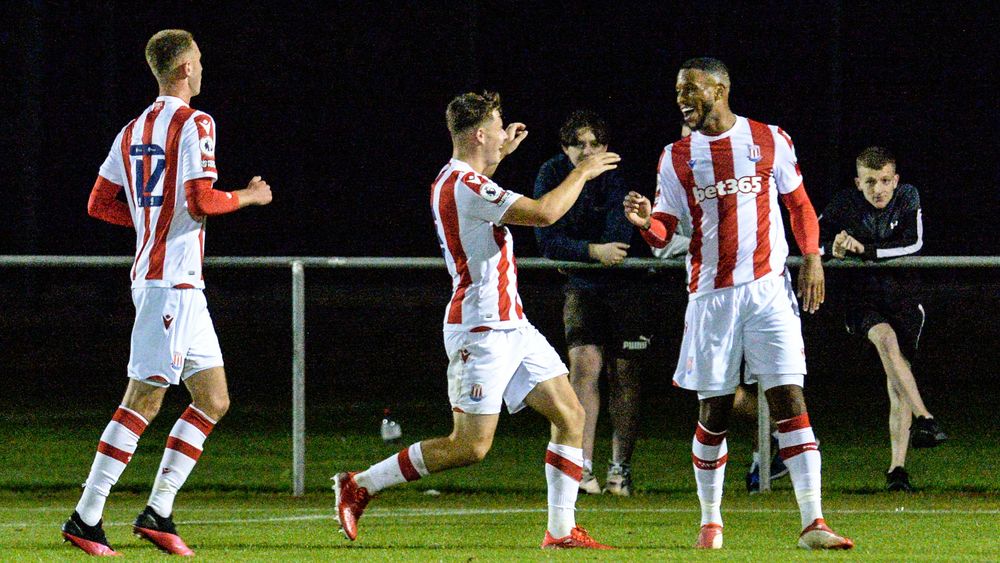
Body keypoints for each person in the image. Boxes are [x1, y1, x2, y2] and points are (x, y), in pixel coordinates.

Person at [333, 92, 620, 550]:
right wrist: (582, 171)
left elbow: (482, 192)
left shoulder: (457, 180)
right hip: (481, 329)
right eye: (498, 124)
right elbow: (544, 213)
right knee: (470, 446)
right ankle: (359, 483)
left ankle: (561, 531)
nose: (506, 130)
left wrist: (500, 156)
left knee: (571, 415)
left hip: (513, 325)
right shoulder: (465, 185)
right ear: (480, 133)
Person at [623, 57, 853, 550]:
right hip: (712, 297)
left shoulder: (769, 138)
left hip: (770, 290)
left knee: (790, 397)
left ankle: (813, 522)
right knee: (716, 409)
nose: (682, 99)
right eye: (678, 91)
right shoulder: (676, 157)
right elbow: (665, 229)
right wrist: (646, 223)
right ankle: (711, 520)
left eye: (691, 89)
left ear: (720, 88)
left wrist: (811, 257)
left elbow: (799, 204)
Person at [60, 29, 273, 556]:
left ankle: (158, 511)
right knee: (143, 399)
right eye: (198, 61)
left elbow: (97, 203)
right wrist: (247, 196)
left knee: (213, 399)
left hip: (176, 285)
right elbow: (201, 200)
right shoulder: (198, 122)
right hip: (169, 286)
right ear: (182, 70)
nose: (202, 69)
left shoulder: (131, 130)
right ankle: (85, 517)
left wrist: (148, 225)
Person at [534, 110, 651, 496]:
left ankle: (620, 470)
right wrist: (590, 251)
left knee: (625, 374)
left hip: (627, 287)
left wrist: (597, 250)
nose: (587, 151)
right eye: (578, 144)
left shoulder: (619, 174)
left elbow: (620, 242)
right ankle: (582, 470)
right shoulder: (552, 174)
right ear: (564, 147)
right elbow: (548, 240)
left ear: (606, 146)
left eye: (594, 144)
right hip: (581, 285)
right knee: (584, 367)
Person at [819, 146, 946, 492]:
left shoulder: (907, 197)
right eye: (871, 181)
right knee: (885, 339)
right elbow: (810, 239)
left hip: (904, 299)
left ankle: (897, 470)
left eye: (885, 180)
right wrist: (834, 247)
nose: (879, 189)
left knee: (897, 384)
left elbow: (914, 243)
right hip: (863, 300)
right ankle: (927, 418)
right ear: (858, 183)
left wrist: (867, 250)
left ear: (896, 180)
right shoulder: (844, 203)